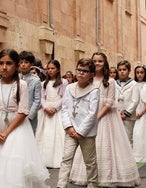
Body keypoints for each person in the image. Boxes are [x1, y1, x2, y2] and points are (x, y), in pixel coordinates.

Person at [0, 49, 49, 188]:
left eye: (9, 63)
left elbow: (23, 111)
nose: (4, 67)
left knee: (13, 165)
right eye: (1, 63)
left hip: (16, 127)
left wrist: (6, 133)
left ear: (17, 65)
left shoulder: (21, 85)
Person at [69, 52, 140, 187]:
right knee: (88, 147)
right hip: (90, 116)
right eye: (94, 61)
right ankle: (89, 175)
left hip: (106, 117)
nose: (97, 64)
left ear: (105, 63)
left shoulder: (111, 81)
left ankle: (108, 176)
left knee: (107, 146)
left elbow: (108, 103)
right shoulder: (88, 80)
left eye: (100, 61)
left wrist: (96, 117)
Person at [57, 58, 99, 188]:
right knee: (66, 158)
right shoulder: (69, 88)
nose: (81, 73)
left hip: (86, 133)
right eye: (79, 70)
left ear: (91, 75)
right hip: (71, 130)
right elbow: (64, 109)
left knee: (90, 161)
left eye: (85, 71)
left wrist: (81, 132)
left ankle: (92, 184)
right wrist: (69, 127)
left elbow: (92, 114)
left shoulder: (94, 91)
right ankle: (61, 184)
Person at [35, 59, 68, 168]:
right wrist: (45, 107)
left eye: (52, 68)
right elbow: (42, 98)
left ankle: (58, 158)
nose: (50, 70)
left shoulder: (63, 82)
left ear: (58, 70)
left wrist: (55, 108)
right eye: (48, 68)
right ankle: (44, 158)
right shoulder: (44, 83)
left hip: (57, 111)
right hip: (46, 111)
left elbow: (64, 97)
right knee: (45, 133)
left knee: (58, 134)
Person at [115, 60, 138, 144]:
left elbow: (135, 101)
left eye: (124, 70)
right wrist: (116, 112)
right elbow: (112, 98)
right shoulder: (114, 83)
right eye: (120, 70)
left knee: (127, 139)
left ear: (129, 71)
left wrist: (127, 113)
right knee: (116, 139)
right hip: (116, 115)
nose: (122, 72)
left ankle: (129, 157)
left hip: (128, 117)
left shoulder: (134, 84)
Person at [19, 51, 41, 134]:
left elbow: (37, 100)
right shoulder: (16, 78)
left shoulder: (36, 80)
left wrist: (30, 116)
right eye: (21, 62)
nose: (23, 64)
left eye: (26, 62)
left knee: (29, 136)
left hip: (29, 115)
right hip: (16, 113)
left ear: (31, 64)